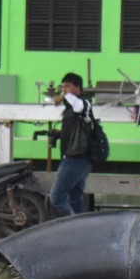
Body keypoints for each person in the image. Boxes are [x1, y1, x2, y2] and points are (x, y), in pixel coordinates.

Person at [50, 71, 94, 216]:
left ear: (78, 87)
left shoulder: (84, 103)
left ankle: (69, 229)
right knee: (75, 200)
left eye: (67, 86)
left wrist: (63, 96)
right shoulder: (70, 107)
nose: (64, 89)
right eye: (63, 87)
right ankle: (84, 230)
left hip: (77, 159)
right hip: (74, 158)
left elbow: (79, 107)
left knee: (57, 197)